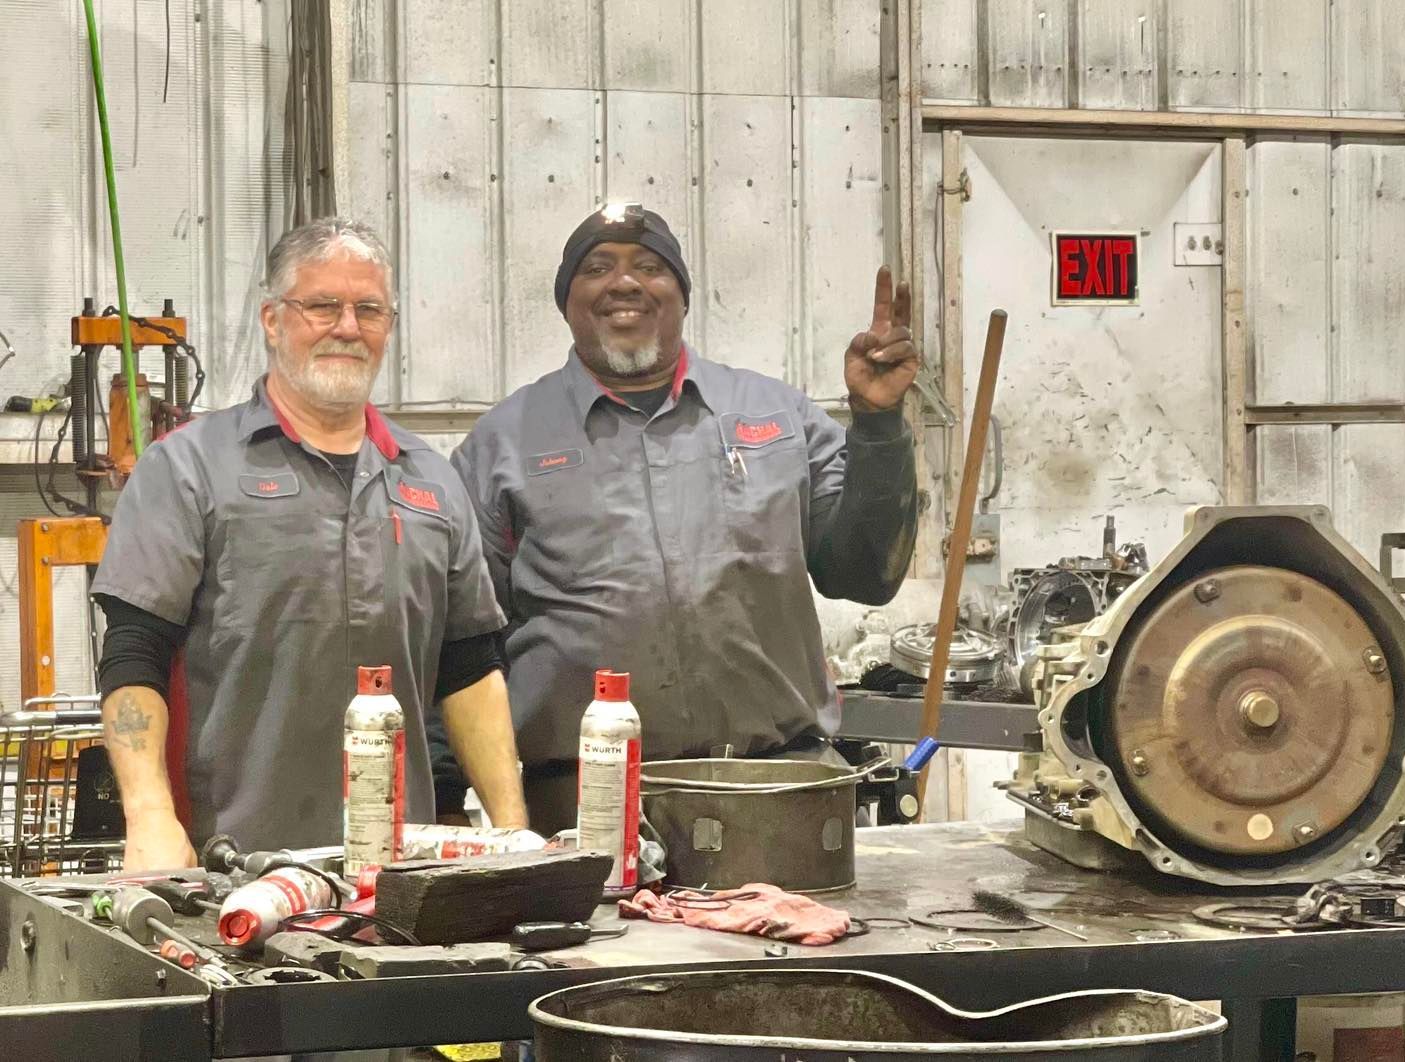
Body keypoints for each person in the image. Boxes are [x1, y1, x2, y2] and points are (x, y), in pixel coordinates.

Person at [445, 202, 919, 835]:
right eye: (597, 268)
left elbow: (864, 574)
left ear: (683, 296)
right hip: (582, 810)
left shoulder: (777, 417)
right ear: (567, 301)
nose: (625, 283)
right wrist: (453, 794)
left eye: (650, 266)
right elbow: (461, 644)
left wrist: (879, 421)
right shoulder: (502, 444)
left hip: (779, 792)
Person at [92, 217, 527, 871]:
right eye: (323, 305)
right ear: (272, 320)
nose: (347, 327)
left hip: (398, 873)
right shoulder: (187, 468)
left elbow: (470, 667)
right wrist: (149, 816)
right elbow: (134, 654)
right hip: (231, 865)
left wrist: (514, 834)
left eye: (368, 309)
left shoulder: (432, 480)